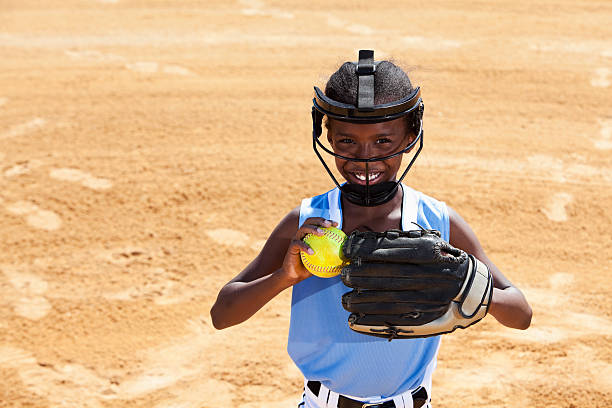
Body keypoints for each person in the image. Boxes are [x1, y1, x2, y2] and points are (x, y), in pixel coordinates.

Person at [210, 50, 532, 408]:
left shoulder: (436, 221)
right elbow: (222, 314)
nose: (365, 157)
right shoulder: (306, 223)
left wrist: (465, 287)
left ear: (411, 134)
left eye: (383, 141)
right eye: (347, 141)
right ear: (328, 136)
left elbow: (521, 314)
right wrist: (284, 277)